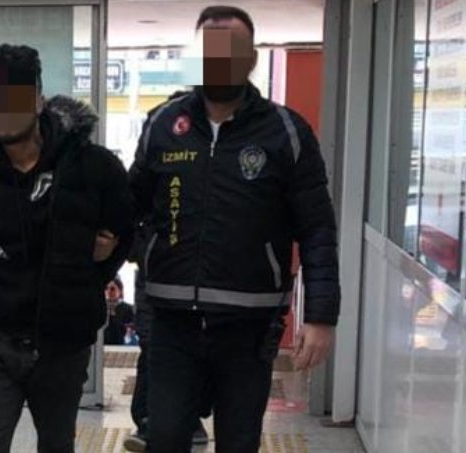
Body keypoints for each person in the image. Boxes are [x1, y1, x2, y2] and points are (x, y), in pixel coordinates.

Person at [128, 6, 341, 452]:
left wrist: (321, 316)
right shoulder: (164, 124)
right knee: (164, 439)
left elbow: (317, 228)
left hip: (249, 325)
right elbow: (131, 205)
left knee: (239, 442)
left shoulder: (286, 132)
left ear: (251, 59)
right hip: (171, 321)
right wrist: (145, 253)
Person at [0, 44, 133, 453]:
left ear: (39, 100)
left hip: (61, 342)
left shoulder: (91, 165)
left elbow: (123, 232)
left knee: (56, 445)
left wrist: (95, 263)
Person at [123, 224, 209, 452]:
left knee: (194, 349)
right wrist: (146, 251)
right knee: (151, 347)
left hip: (198, 284)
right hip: (155, 282)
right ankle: (146, 420)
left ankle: (189, 417)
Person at [103, 276, 135, 346]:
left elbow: (128, 331)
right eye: (106, 288)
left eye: (112, 289)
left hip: (121, 345)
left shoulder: (127, 309)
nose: (109, 291)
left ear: (119, 291)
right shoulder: (101, 307)